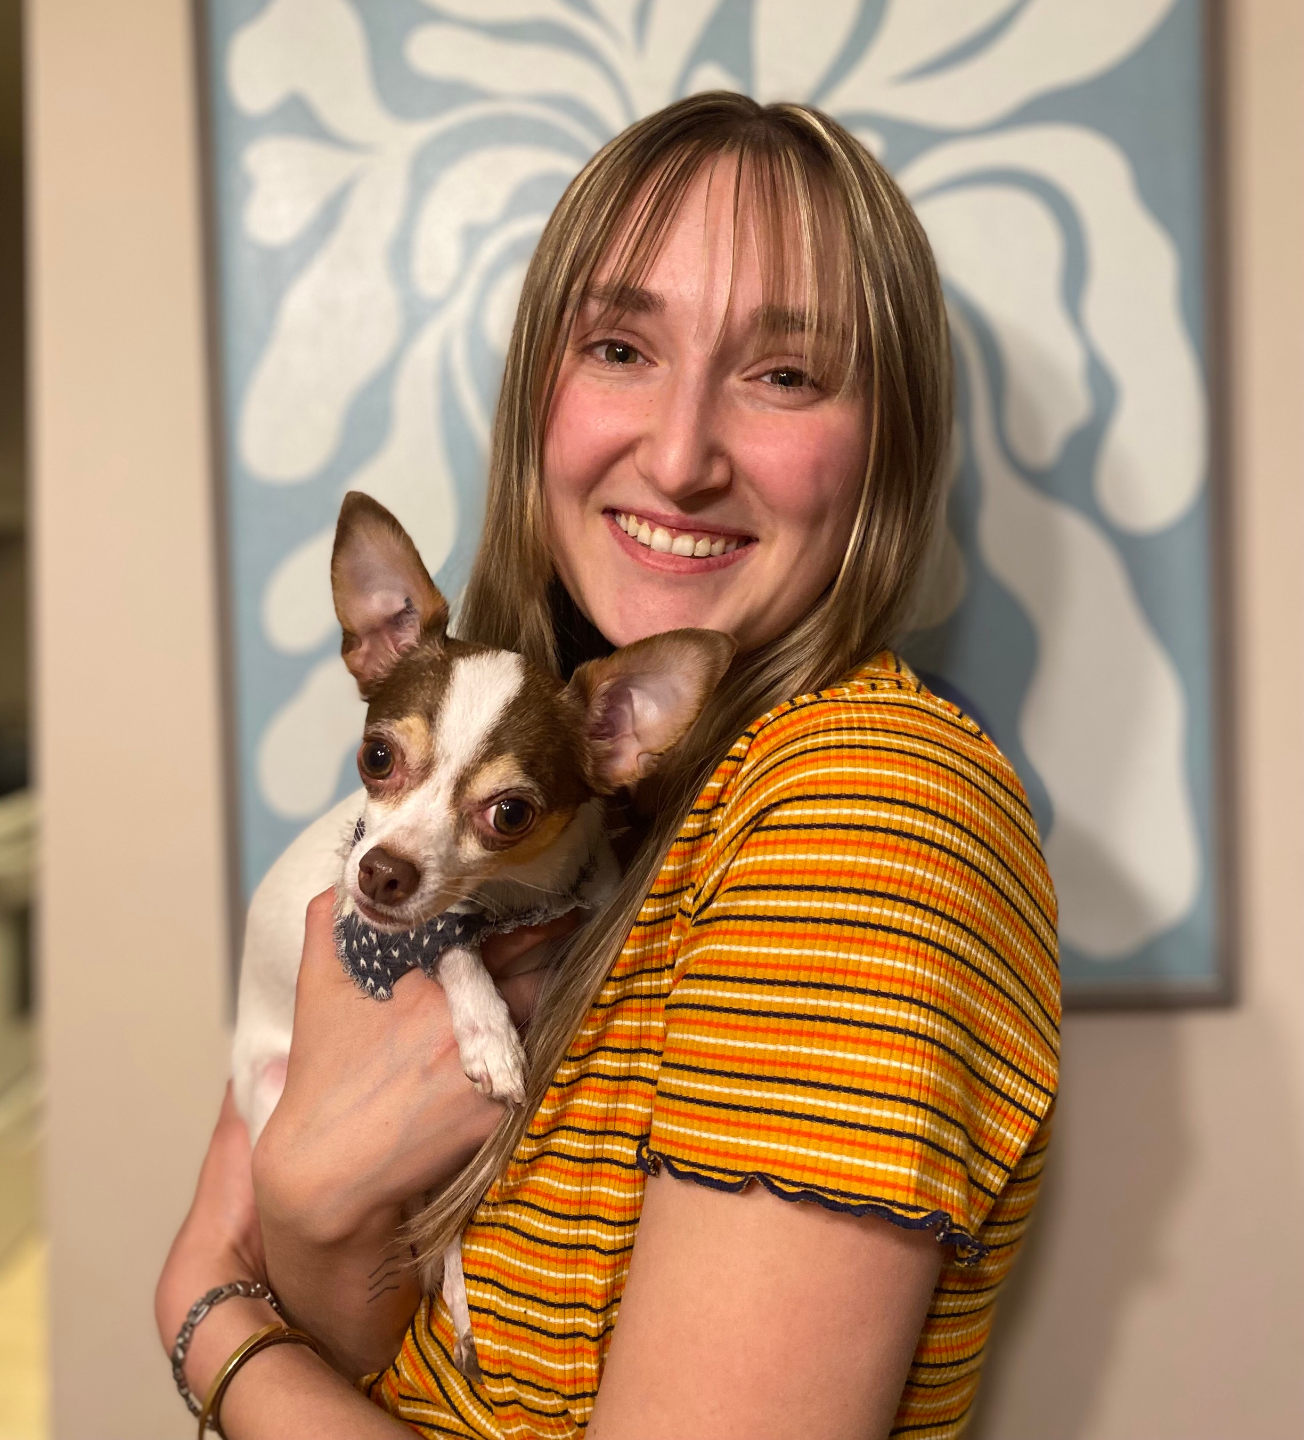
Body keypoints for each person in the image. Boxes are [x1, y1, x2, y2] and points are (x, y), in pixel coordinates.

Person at [157, 92, 1058, 1439]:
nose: (681, 458)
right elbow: (377, 1349)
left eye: (785, 374)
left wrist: (213, 1319)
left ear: (889, 450)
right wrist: (307, 1211)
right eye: (622, 347)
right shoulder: (591, 812)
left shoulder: (861, 819)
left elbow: (265, 1286)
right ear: (540, 393)